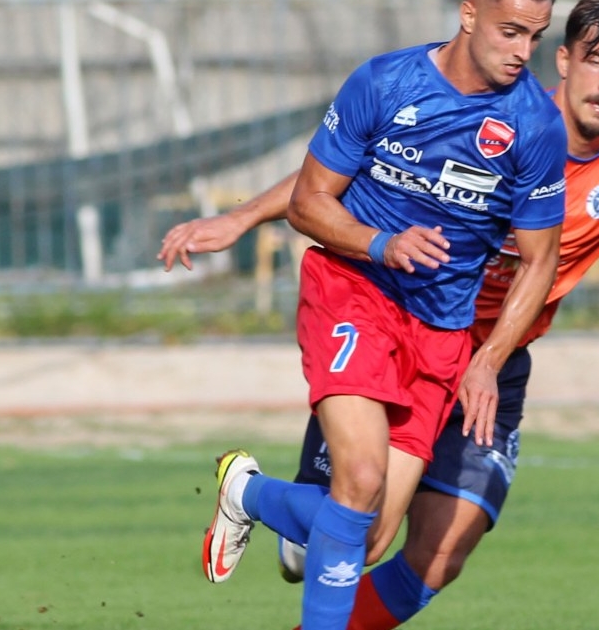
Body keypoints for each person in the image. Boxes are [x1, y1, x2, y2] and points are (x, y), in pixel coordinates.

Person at [160, 0, 599, 627]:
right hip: (388, 313)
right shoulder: (473, 103)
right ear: (565, 60)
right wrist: (242, 217)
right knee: (344, 523)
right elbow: (346, 172)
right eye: (595, 60)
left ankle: (263, 503)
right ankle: (263, 499)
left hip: (482, 358)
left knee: (427, 552)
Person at [191, 1, 567, 629]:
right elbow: (308, 202)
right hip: (355, 290)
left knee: (365, 539)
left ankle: (246, 492)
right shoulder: (385, 82)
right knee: (361, 480)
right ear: (469, 13)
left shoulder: (535, 123)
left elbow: (540, 259)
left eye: (535, 36)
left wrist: (489, 359)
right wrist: (380, 244)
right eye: (510, 32)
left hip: (442, 333)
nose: (523, 52)